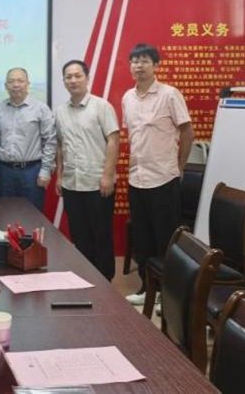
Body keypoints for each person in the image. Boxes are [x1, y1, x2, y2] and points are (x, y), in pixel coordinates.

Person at [122, 43, 194, 305]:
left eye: (144, 61)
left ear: (155, 65)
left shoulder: (169, 94)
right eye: (134, 61)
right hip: (137, 178)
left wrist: (180, 166)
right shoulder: (127, 98)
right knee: (143, 238)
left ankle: (168, 292)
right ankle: (147, 288)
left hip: (164, 178)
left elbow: (187, 132)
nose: (139, 66)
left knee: (166, 239)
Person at [55, 60, 120, 280]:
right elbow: (61, 145)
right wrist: (59, 175)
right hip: (71, 183)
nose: (73, 80)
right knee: (79, 235)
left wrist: (108, 175)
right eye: (68, 77)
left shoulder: (101, 106)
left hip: (97, 182)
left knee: (101, 234)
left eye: (77, 76)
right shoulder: (61, 111)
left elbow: (113, 140)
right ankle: (85, 276)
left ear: (87, 78)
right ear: (64, 81)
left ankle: (105, 279)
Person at [0, 67, 55, 211]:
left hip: (32, 171)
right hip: (4, 171)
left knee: (32, 214)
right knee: (5, 214)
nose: (16, 84)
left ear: (28, 84)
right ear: (6, 85)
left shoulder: (41, 108)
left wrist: (45, 170)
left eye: (20, 81)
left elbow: (50, 141)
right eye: (11, 81)